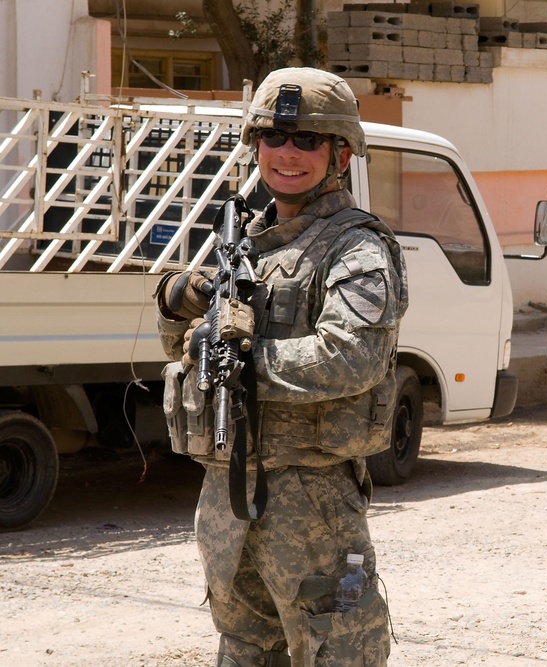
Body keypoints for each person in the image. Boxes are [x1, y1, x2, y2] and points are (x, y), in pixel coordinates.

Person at [154, 67, 407, 667]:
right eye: (273, 137)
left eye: (307, 140)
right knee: (243, 651)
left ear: (340, 153)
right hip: (226, 498)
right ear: (255, 146)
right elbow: (183, 346)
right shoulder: (247, 242)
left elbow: (353, 357)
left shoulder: (357, 248)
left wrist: (243, 364)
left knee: (335, 653)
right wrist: (181, 302)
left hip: (312, 501)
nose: (287, 153)